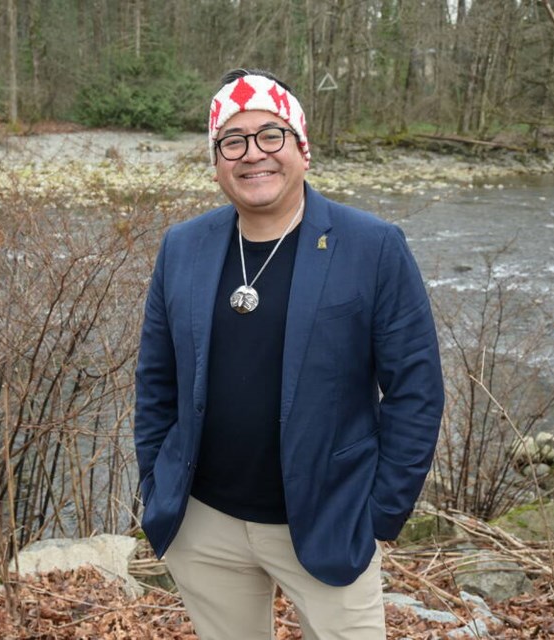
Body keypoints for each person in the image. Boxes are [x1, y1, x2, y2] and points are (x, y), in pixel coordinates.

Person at [133, 68, 444, 639]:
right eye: (233, 140)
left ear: (303, 149)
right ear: (217, 160)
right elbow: (157, 379)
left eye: (271, 135)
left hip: (330, 518)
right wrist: (157, 482)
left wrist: (380, 513)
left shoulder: (372, 247)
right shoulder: (184, 247)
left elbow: (416, 389)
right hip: (205, 525)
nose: (253, 154)